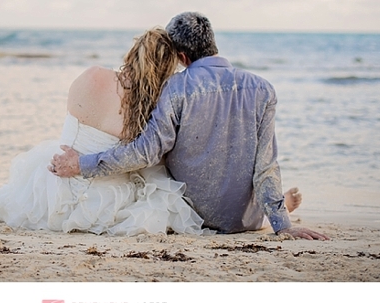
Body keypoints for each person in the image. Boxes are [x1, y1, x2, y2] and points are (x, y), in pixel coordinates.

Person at [51, 12, 328, 241]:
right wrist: (284, 226)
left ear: (181, 57)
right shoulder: (263, 89)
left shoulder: (176, 88)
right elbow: (266, 165)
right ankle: (275, 210)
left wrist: (82, 164)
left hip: (193, 217)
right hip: (246, 219)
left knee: (156, 168)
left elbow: (145, 153)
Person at [0, 28, 209, 235]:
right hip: (110, 199)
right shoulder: (155, 106)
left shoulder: (93, 75)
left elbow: (72, 115)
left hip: (54, 186)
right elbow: (152, 155)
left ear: (134, 52)